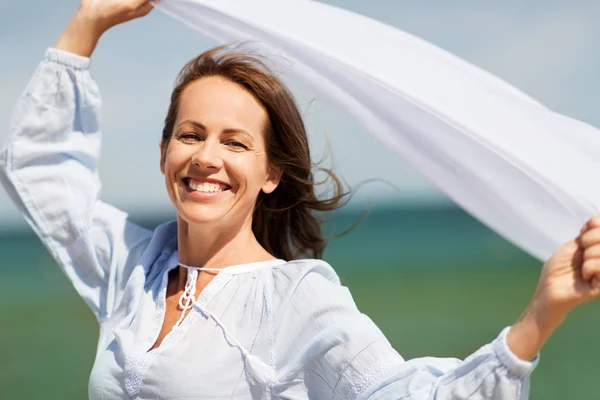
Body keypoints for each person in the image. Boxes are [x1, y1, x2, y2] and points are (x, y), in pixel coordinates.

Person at [2, 1, 600, 399]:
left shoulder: (293, 297)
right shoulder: (134, 266)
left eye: (235, 143)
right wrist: (88, 23)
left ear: (270, 174)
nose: (207, 157)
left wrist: (538, 317)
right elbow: (42, 177)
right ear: (164, 155)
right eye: (190, 135)